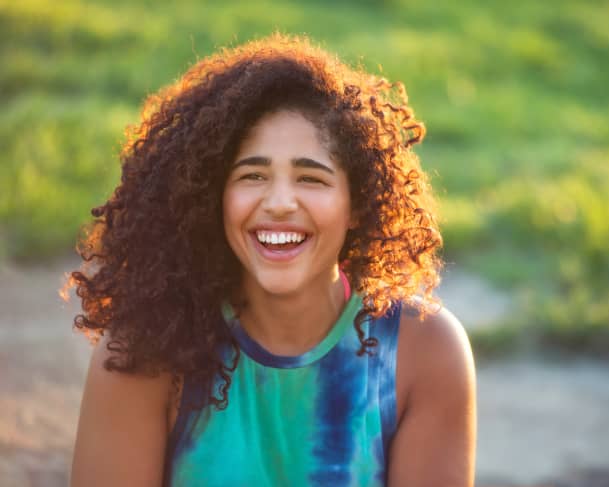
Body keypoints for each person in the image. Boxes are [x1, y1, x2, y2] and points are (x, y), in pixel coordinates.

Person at [69, 33, 476, 487]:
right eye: (253, 175)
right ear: (211, 197)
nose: (280, 202)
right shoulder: (146, 350)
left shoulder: (422, 351)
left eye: (311, 178)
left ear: (357, 204)